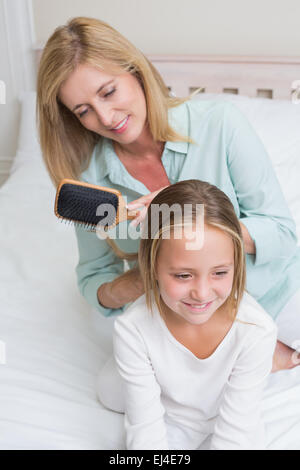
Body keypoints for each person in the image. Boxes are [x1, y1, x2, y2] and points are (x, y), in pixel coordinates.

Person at [36, 16, 300, 383]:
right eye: (83, 111)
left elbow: (283, 235)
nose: (106, 117)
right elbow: (94, 280)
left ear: (136, 72)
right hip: (182, 319)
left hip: (273, 294)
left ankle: (248, 353)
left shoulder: (220, 124)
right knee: (113, 388)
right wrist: (140, 280)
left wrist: (191, 217)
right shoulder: (90, 182)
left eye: (108, 92)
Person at [113, 179, 278, 450]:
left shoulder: (257, 330)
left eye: (220, 272)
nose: (202, 294)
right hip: (169, 412)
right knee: (110, 392)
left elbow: (235, 436)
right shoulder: (132, 329)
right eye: (183, 275)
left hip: (221, 411)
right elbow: (146, 432)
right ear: (152, 266)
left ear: (236, 263)